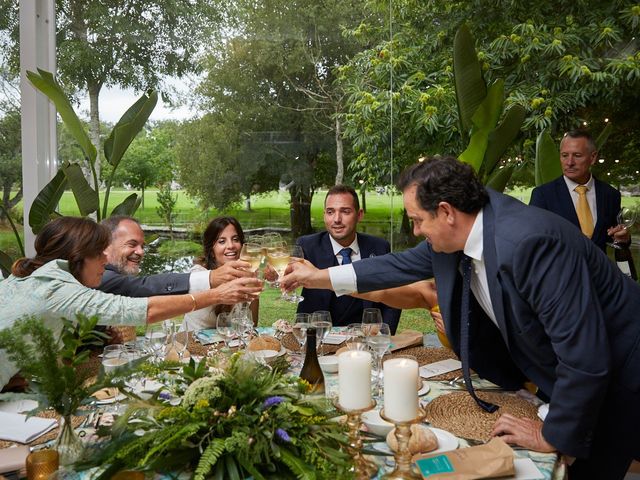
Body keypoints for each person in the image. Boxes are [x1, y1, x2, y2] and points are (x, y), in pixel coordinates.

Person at [281, 156, 640, 479]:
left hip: (619, 380)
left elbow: (584, 355)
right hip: (570, 375)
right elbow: (397, 265)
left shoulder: (531, 243)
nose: (417, 231)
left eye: (418, 221)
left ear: (447, 211)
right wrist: (319, 277)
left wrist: (553, 434)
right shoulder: (459, 233)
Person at [0, 216, 262, 390]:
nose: (105, 260)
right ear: (78, 257)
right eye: (99, 253)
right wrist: (216, 294)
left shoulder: (35, 277)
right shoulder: (58, 287)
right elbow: (142, 310)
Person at [296, 185, 401, 333]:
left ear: (359, 215)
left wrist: (384, 333)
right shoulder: (307, 246)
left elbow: (394, 297)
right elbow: (288, 273)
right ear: (324, 215)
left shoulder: (379, 247)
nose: (337, 219)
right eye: (330, 212)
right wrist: (278, 274)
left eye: (345, 211)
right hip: (318, 337)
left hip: (365, 340)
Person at [99, 215, 254, 296]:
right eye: (132, 245)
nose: (141, 252)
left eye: (142, 246)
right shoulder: (103, 278)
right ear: (105, 246)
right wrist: (211, 278)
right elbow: (146, 286)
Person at [529, 129, 631, 251]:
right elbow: (532, 241)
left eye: (577, 155)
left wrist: (623, 239)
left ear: (593, 158)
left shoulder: (610, 195)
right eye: (564, 155)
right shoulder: (543, 195)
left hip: (598, 269)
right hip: (560, 269)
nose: (569, 162)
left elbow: (613, 237)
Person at [182, 216, 259, 330]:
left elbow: (252, 323)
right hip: (191, 343)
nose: (231, 246)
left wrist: (254, 289)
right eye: (222, 241)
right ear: (212, 251)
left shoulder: (245, 276)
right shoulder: (199, 274)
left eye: (235, 239)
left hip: (227, 344)